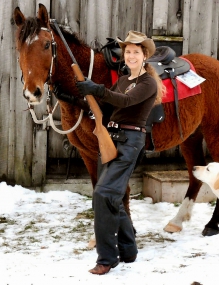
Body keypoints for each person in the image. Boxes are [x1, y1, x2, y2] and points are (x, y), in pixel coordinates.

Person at [55, 31, 165, 275]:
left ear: (144, 55)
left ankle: (107, 257)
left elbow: (124, 102)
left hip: (130, 142)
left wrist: (98, 88)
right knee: (112, 196)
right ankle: (128, 249)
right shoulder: (124, 79)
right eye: (128, 51)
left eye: (136, 51)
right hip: (112, 140)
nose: (131, 55)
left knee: (103, 194)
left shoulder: (148, 82)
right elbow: (105, 106)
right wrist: (76, 98)